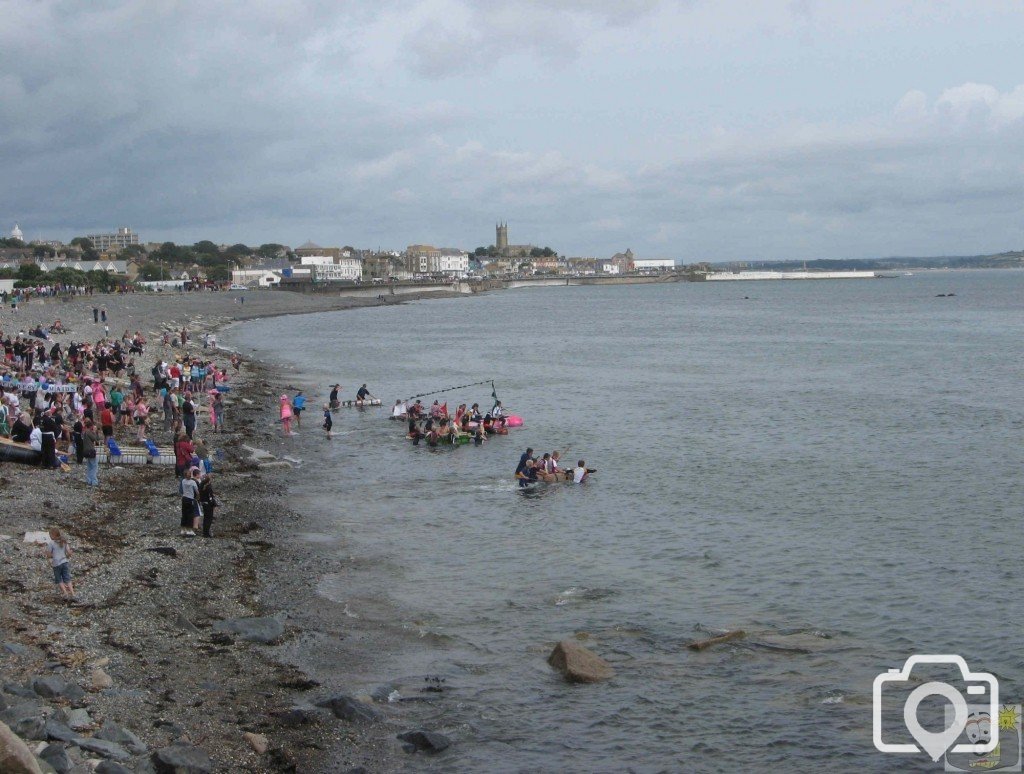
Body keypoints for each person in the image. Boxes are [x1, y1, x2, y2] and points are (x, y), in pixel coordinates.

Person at [44, 528, 74, 600]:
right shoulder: (64, 541)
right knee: (67, 578)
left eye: (50, 535)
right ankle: (73, 593)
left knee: (59, 579)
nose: (50, 537)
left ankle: (65, 593)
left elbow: (49, 555)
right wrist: (69, 554)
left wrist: (47, 554)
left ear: (53, 535)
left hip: (57, 563)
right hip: (65, 562)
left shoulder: (51, 543)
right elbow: (69, 552)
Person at [179, 467, 200, 537]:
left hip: (184, 498)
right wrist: (197, 498)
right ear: (190, 475)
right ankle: (189, 530)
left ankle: (183, 529)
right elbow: (197, 492)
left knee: (184, 514)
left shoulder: (183, 481)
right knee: (190, 515)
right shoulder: (193, 482)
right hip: (190, 499)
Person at [198, 472, 217, 537]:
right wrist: (214, 504)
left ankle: (204, 532)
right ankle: (206, 533)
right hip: (208, 504)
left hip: (203, 503)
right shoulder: (208, 487)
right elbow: (210, 498)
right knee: (209, 519)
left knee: (205, 518)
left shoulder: (201, 485)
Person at [81, 418, 99, 487]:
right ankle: (94, 481)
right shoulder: (89, 432)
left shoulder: (85, 432)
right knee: (94, 466)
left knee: (89, 466)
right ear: (91, 426)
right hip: (90, 450)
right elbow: (96, 439)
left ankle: (89, 480)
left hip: (85, 450)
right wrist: (95, 431)